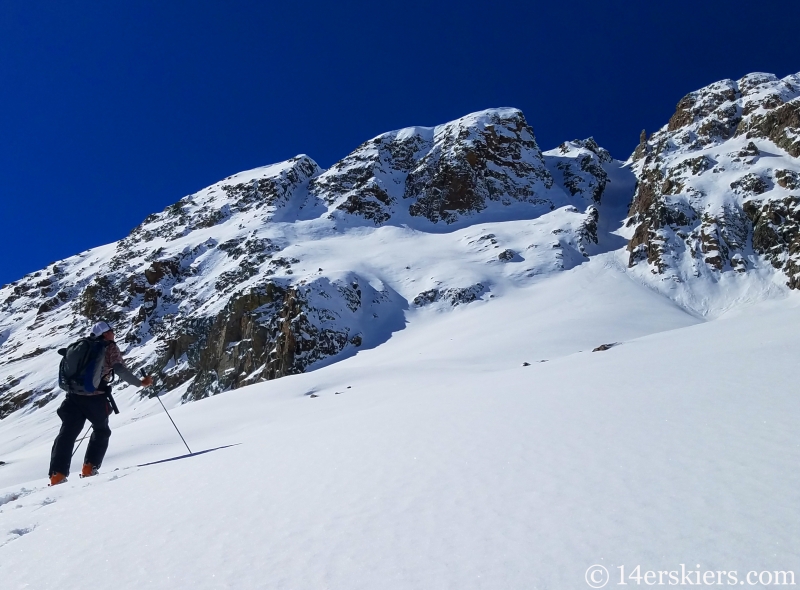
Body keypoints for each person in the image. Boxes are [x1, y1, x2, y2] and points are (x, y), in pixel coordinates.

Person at [48, 321, 153, 485]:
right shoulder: (109, 347)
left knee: (67, 434)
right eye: (111, 330)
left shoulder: (82, 345)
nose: (114, 333)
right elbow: (120, 370)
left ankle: (57, 475)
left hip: (73, 396)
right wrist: (141, 383)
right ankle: (89, 468)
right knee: (101, 430)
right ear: (105, 333)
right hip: (95, 398)